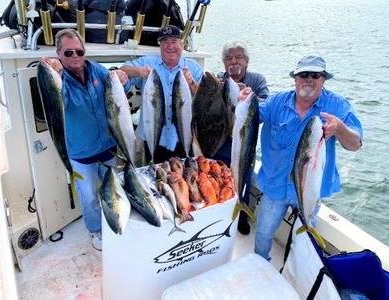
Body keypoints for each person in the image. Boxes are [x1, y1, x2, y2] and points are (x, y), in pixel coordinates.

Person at [246, 55, 363, 261]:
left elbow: (355, 144)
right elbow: (251, 114)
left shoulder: (337, 106)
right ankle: (259, 263)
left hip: (311, 190)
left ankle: (298, 272)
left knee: (304, 246)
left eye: (315, 75)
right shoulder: (276, 102)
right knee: (263, 234)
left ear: (324, 79)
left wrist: (340, 129)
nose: (309, 79)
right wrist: (244, 99)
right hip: (275, 188)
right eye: (303, 74)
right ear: (295, 78)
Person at [43, 29, 128, 251]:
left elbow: (119, 87)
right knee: (89, 196)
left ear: (84, 51)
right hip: (81, 154)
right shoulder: (59, 81)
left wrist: (122, 77)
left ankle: (117, 220)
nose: (75, 57)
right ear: (59, 53)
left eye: (79, 51)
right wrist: (55, 73)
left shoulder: (97, 70)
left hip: (108, 148)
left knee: (114, 189)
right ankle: (95, 231)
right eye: (68, 53)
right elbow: (60, 99)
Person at [120, 25, 203, 163]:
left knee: (181, 180)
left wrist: (192, 83)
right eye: (165, 42)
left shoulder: (193, 67)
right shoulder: (148, 62)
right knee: (155, 179)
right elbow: (123, 69)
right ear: (160, 45)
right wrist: (139, 71)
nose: (170, 46)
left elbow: (207, 97)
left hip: (182, 138)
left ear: (181, 44)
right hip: (152, 137)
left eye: (174, 41)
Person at [215, 40, 270, 235]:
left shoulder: (257, 80)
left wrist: (248, 95)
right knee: (219, 181)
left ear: (246, 61)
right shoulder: (218, 80)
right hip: (220, 145)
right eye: (229, 58)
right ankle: (219, 215)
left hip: (245, 143)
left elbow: (266, 105)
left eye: (239, 57)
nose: (233, 61)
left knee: (244, 182)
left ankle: (242, 216)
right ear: (223, 63)